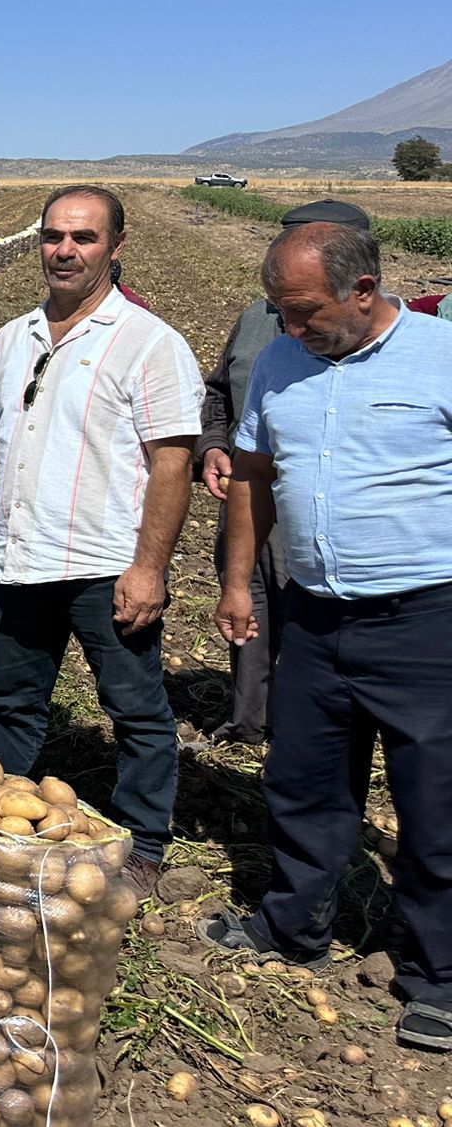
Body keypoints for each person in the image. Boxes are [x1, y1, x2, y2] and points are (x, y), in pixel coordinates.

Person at [205, 223, 452, 1050]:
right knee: (304, 783)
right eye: (279, 310)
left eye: (305, 310)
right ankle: (294, 926)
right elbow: (253, 477)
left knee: (435, 805)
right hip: (313, 612)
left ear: (364, 288)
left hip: (427, 619)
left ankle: (438, 977)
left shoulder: (440, 353)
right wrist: (240, 582)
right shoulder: (280, 362)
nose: (290, 327)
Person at [0, 185, 202, 896]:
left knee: (135, 707)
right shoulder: (14, 338)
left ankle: (145, 844)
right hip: (19, 556)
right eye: (53, 236)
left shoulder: (148, 343)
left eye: (84, 238)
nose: (65, 250)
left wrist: (149, 567)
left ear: (115, 247)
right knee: (10, 699)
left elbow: (172, 459)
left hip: (105, 564)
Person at [196, 198, 373, 745]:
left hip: (323, 510)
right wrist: (213, 446)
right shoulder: (255, 320)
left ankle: (307, 729)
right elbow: (219, 392)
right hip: (248, 491)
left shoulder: (382, 337)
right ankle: (250, 722)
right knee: (246, 602)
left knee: (310, 619)